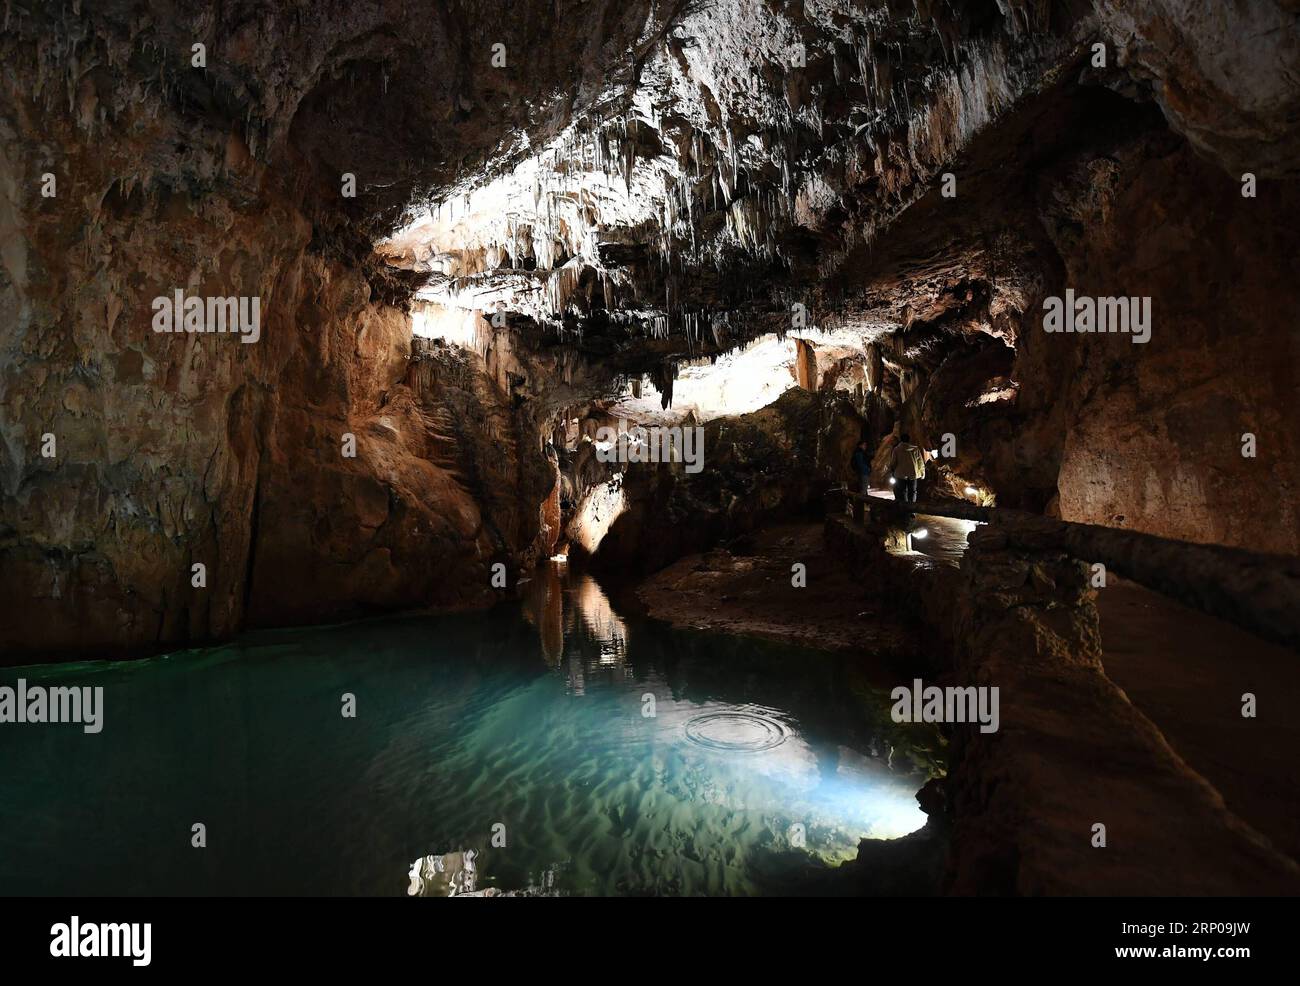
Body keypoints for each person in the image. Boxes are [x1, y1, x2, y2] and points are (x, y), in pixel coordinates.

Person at [890, 432, 926, 504]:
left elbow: (893, 462)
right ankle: (912, 509)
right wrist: (922, 473)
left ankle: (904, 509)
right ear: (909, 440)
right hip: (913, 474)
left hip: (900, 474)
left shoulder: (897, 449)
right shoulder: (915, 449)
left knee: (902, 492)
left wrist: (892, 470)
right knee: (912, 492)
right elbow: (920, 462)